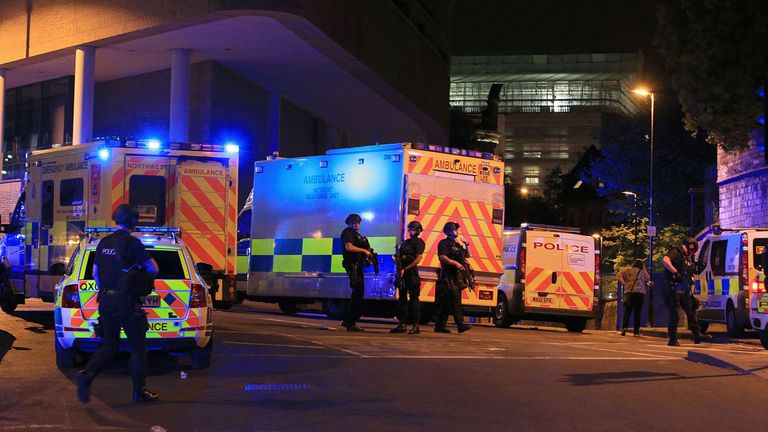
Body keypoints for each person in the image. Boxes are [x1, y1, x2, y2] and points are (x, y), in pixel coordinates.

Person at [76, 204, 160, 404]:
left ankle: (87, 374)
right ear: (133, 221)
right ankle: (139, 392)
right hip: (126, 302)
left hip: (105, 300)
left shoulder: (103, 242)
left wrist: (109, 288)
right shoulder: (132, 243)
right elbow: (153, 269)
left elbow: (95, 274)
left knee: (110, 345)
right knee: (138, 348)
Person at [661, 237, 708, 346]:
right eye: (691, 250)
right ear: (687, 246)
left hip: (684, 288)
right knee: (674, 314)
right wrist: (675, 271)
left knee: (691, 311)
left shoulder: (687, 258)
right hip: (673, 287)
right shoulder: (676, 252)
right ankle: (672, 339)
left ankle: (697, 336)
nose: (691, 252)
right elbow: (665, 260)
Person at [434, 221, 472, 334]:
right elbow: (442, 257)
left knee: (446, 303)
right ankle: (460, 324)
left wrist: (467, 245)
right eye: (455, 230)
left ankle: (440, 326)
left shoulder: (457, 245)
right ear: (450, 231)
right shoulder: (444, 243)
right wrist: (455, 263)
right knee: (455, 301)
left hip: (456, 278)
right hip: (448, 277)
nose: (457, 232)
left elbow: (467, 255)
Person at [390, 221, 426, 335]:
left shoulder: (419, 242)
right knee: (402, 300)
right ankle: (402, 324)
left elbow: (418, 259)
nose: (410, 231)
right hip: (403, 274)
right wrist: (396, 261)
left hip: (412, 274)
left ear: (417, 230)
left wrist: (406, 268)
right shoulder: (406, 243)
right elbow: (400, 257)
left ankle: (416, 326)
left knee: (414, 300)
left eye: (412, 229)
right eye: (410, 229)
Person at [340, 213, 373, 332]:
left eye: (358, 222)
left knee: (359, 293)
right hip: (352, 266)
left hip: (358, 266)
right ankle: (349, 322)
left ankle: (350, 321)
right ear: (349, 223)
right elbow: (349, 247)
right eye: (354, 222)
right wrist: (364, 250)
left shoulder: (357, 235)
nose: (357, 224)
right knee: (357, 293)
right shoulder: (347, 232)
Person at [617, 259, 651, 336]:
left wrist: (624, 283)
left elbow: (619, 275)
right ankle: (636, 332)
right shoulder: (642, 271)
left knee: (627, 312)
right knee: (637, 312)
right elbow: (648, 278)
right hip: (639, 294)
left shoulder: (628, 270)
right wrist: (644, 269)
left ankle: (624, 328)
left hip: (629, 293)